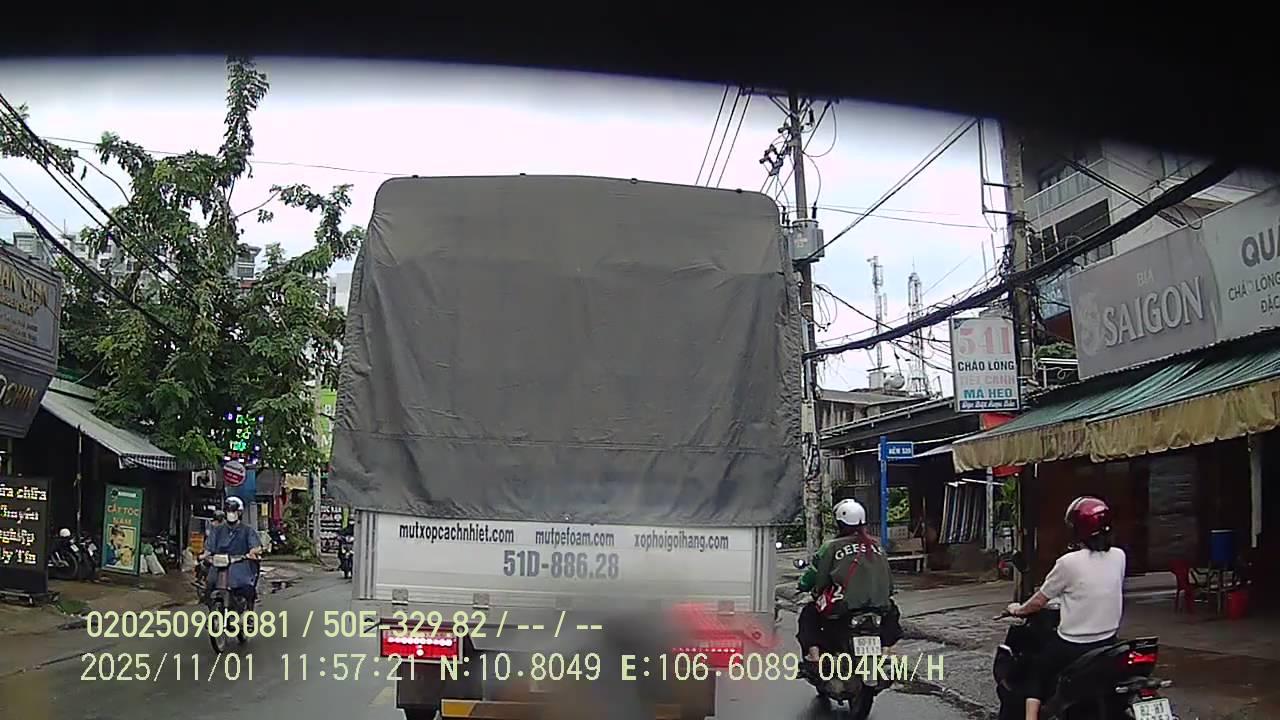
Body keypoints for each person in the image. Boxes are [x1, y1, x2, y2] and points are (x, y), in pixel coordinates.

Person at [1005, 496, 1125, 720]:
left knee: (1036, 673)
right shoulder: (1119, 556)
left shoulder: (1068, 562)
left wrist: (1018, 609)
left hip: (1074, 644)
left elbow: (1039, 601)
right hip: (1109, 642)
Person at [795, 498, 901, 665]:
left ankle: (814, 656)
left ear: (839, 523)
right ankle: (886, 650)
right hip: (879, 608)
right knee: (892, 612)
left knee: (809, 613)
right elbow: (889, 583)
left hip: (843, 608)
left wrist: (809, 589)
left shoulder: (831, 547)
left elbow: (819, 579)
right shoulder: (877, 546)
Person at [202, 497, 263, 604]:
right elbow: (209, 547)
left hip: (240, 564)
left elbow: (256, 546)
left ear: (239, 512)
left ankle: (248, 608)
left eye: (233, 511)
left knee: (247, 588)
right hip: (219, 565)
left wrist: (253, 552)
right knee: (209, 586)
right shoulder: (217, 530)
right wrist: (203, 555)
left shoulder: (247, 530)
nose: (231, 513)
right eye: (228, 511)